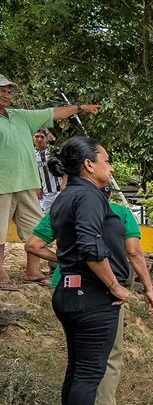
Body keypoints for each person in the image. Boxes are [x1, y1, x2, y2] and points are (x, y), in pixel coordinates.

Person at [26, 163, 153, 405]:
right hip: (99, 293)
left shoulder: (62, 207)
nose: (108, 166)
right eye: (105, 161)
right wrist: (127, 286)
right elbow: (132, 253)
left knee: (77, 364)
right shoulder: (117, 214)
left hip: (64, 289)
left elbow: (33, 245)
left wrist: (65, 259)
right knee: (103, 360)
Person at [47, 136, 147, 405]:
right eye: (105, 159)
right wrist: (115, 286)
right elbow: (91, 246)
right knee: (89, 372)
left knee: (77, 370)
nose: (111, 166)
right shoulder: (88, 196)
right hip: (91, 297)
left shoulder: (66, 196)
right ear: (89, 164)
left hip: (69, 292)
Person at [0, 74, 100, 290]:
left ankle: (33, 271)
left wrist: (81, 107)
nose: (6, 94)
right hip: (2, 184)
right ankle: (0, 273)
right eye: (2, 90)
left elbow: (53, 113)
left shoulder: (20, 116)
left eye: (8, 90)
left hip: (26, 183)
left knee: (37, 228)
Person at [34, 129, 62, 211]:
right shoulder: (31, 154)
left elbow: (66, 167)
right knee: (42, 218)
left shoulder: (55, 151)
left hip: (60, 191)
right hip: (44, 194)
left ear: (46, 139)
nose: (39, 139)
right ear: (33, 138)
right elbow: (31, 173)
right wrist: (36, 187)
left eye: (42, 137)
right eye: (37, 136)